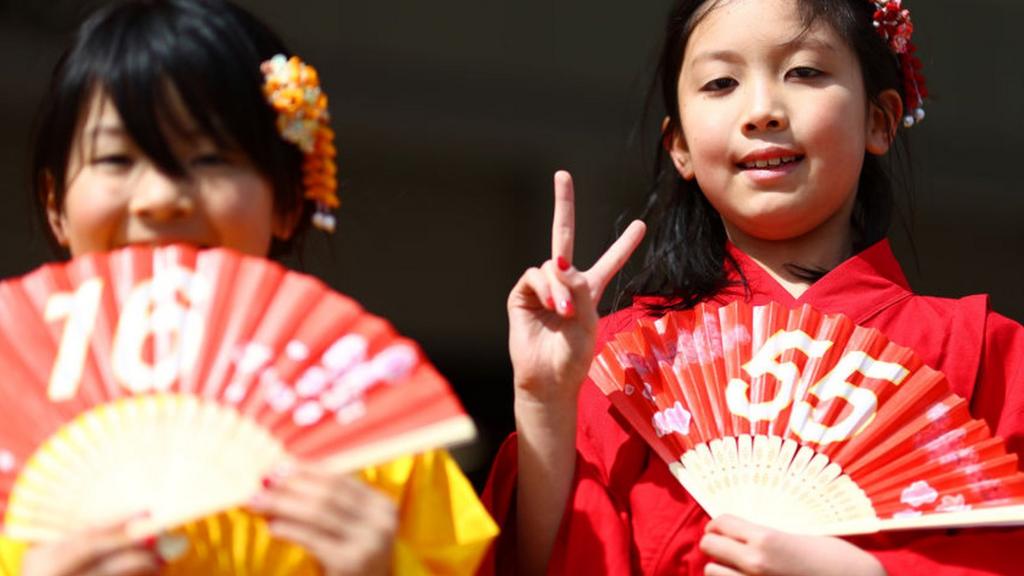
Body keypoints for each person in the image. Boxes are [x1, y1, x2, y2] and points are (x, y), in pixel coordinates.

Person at [484, 0, 1024, 574]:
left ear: (879, 120)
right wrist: (543, 403)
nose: (762, 111)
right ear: (681, 148)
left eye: (806, 72)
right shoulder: (622, 362)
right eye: (721, 83)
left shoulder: (986, 353)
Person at [0, 0, 496, 574]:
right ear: (56, 203)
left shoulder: (369, 424)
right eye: (116, 158)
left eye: (210, 157)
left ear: (288, 201)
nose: (161, 197)